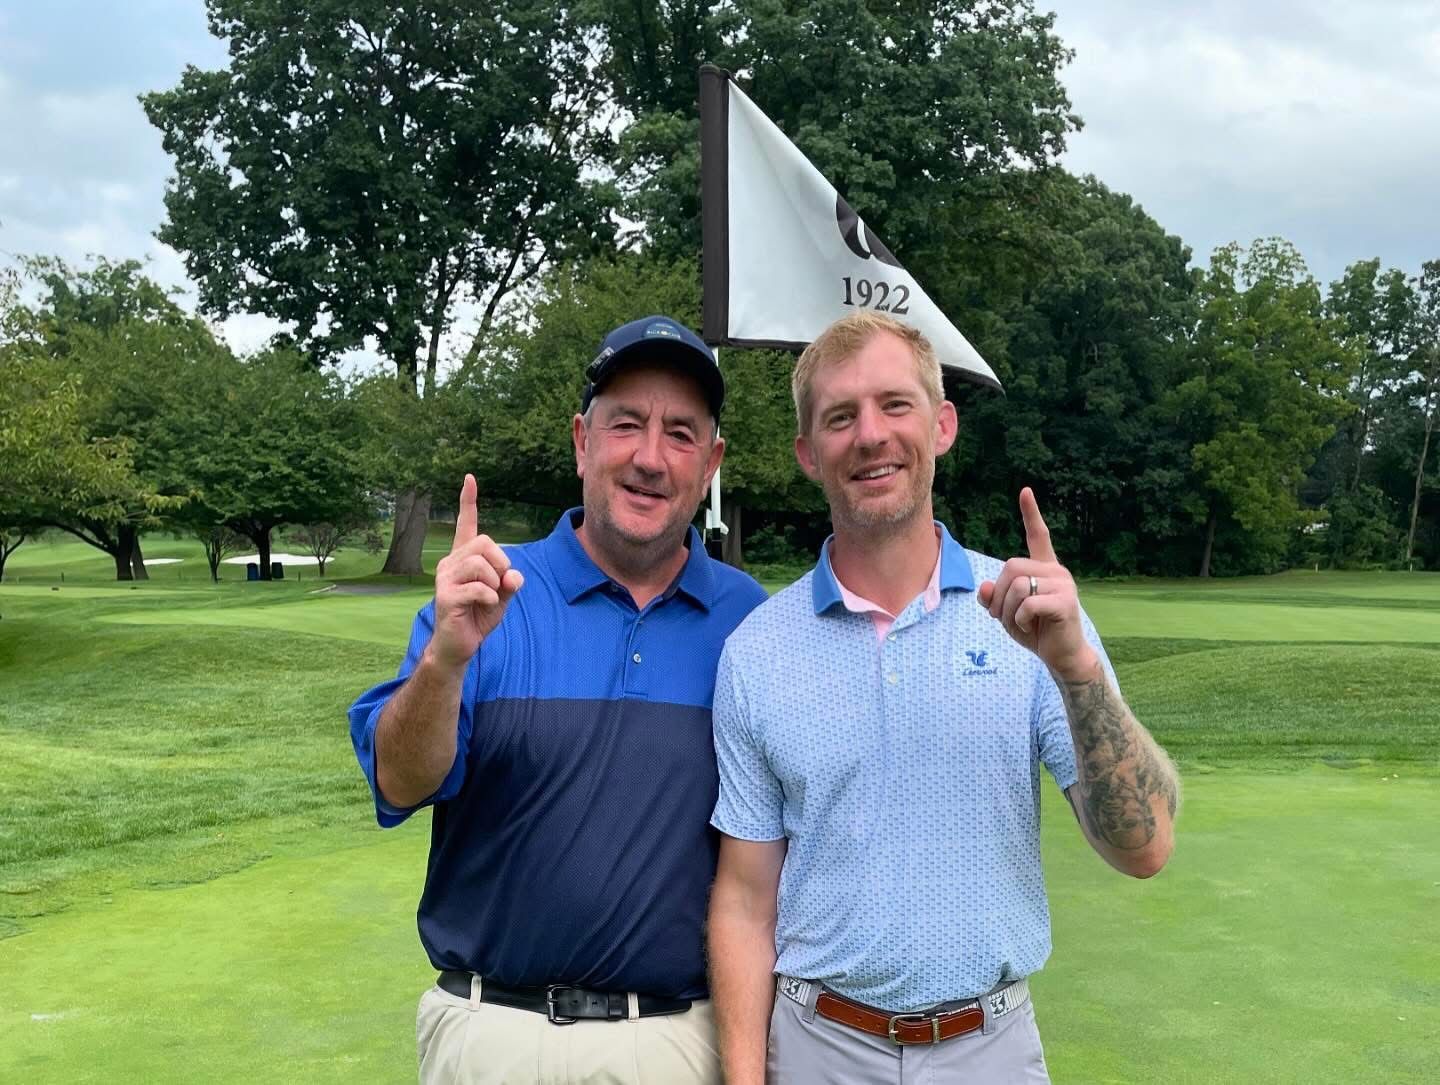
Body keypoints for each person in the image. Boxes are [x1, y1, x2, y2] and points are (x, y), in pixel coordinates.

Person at [706, 310, 1180, 1084]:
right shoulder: (758, 651)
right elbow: (745, 902)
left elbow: (1145, 847)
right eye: (840, 416)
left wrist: (1075, 667)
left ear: (942, 424)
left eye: (896, 404)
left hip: (988, 1045)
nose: (870, 435)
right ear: (807, 452)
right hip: (818, 1045)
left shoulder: (1030, 619)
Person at [348, 315, 769, 1085]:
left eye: (680, 433)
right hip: (492, 1034)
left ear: (710, 463)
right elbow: (399, 780)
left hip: (675, 1042)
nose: (649, 456)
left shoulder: (750, 620)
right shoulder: (490, 591)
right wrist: (445, 661)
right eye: (626, 425)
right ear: (582, 440)